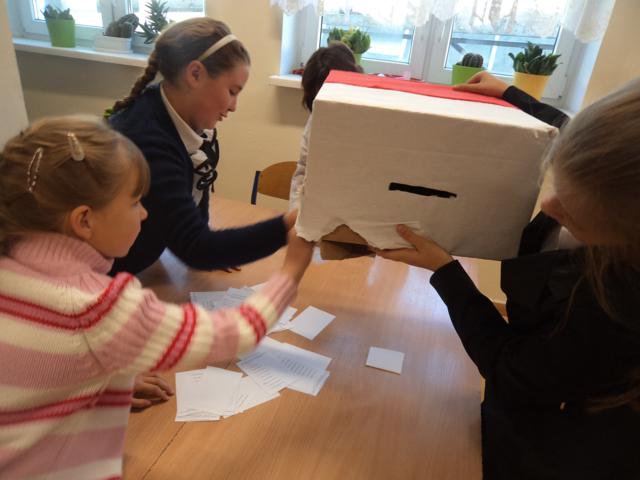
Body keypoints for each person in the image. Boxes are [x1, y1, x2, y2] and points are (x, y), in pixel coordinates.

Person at [0, 116, 313, 479]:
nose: (145, 213)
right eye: (135, 202)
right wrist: (290, 271)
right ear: (84, 220)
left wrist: (101, 373)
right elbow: (236, 332)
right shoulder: (98, 309)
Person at [377, 77, 640, 479]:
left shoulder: (613, 312)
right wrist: (510, 95)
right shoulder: (612, 174)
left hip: (555, 442)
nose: (548, 204)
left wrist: (447, 273)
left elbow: (512, 372)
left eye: (572, 211)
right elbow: (573, 134)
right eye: (559, 184)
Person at [107, 17, 296, 276]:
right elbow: (195, 247)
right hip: (103, 281)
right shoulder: (147, 142)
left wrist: (220, 249)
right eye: (232, 91)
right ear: (195, 74)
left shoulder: (187, 121)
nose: (234, 106)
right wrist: (286, 226)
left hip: (143, 270)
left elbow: (192, 202)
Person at [289, 42, 362, 209]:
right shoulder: (315, 118)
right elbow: (303, 169)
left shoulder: (366, 121)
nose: (322, 106)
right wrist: (296, 211)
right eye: (317, 100)